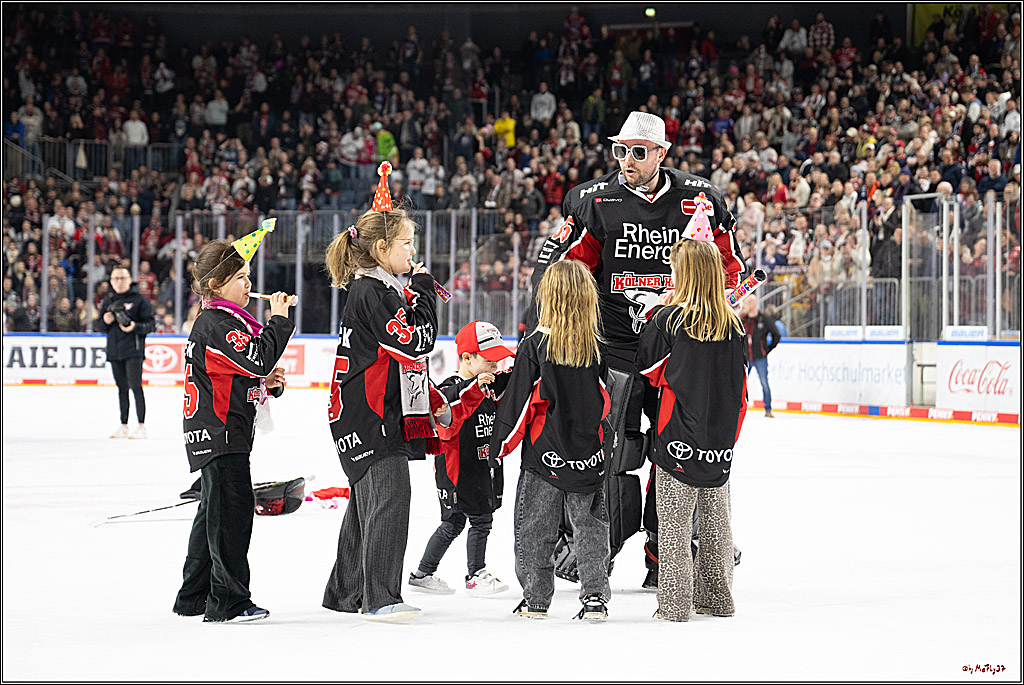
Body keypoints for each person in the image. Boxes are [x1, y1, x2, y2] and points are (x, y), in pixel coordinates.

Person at [527, 111, 743, 590]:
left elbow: (732, 273)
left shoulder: (700, 198)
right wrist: (547, 336)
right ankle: (597, 550)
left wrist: (700, 316)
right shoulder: (593, 201)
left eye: (638, 152)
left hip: (678, 348)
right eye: (619, 150)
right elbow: (560, 273)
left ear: (662, 154)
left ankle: (665, 555)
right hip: (614, 349)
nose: (626, 160)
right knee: (614, 453)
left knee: (675, 454)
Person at [322, 166, 445, 622]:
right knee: (391, 498)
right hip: (369, 414)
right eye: (407, 244)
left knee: (365, 504)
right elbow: (417, 341)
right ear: (381, 249)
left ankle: (346, 591)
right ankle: (382, 596)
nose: (414, 251)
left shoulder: (376, 288)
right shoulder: (374, 290)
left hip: (359, 411)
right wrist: (427, 295)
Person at [171, 239, 294, 623]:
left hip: (217, 430)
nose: (247, 284)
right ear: (215, 285)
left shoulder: (216, 322)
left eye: (247, 276)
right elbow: (257, 356)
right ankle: (228, 601)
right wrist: (279, 320)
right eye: (239, 277)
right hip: (221, 432)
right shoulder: (218, 324)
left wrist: (266, 380)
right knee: (232, 517)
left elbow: (242, 370)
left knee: (214, 512)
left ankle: (193, 596)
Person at [492, 260, 611, 621]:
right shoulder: (597, 347)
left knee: (534, 529)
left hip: (545, 456)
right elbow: (606, 402)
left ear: (549, 296)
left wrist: (499, 444)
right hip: (587, 454)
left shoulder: (536, 345)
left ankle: (536, 599)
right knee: (590, 528)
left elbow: (520, 400)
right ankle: (594, 598)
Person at [636, 238, 747, 622]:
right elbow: (742, 389)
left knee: (674, 527)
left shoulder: (669, 320)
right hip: (719, 440)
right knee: (717, 527)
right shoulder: (733, 325)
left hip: (677, 435)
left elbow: (649, 371)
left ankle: (675, 605)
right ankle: (717, 599)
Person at [408, 320, 515, 596]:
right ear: (467, 358)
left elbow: (512, 380)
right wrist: (476, 387)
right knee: (477, 521)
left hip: (481, 469)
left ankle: (423, 573)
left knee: (454, 523)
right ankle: (475, 574)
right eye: (490, 361)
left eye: (498, 361)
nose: (495, 367)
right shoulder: (451, 389)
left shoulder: (490, 385)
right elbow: (448, 420)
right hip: (459, 472)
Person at [98, 267, 156, 439]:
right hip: (115, 352)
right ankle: (123, 425)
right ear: (111, 281)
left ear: (130, 279)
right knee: (121, 389)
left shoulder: (140, 301)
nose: (119, 282)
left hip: (134, 350)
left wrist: (134, 327)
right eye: (115, 278)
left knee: (136, 387)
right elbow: (101, 328)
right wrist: (105, 321)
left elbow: (151, 325)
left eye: (122, 278)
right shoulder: (107, 302)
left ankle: (141, 426)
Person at [741, 296, 783, 417]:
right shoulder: (743, 319)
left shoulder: (764, 319)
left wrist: (766, 349)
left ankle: (768, 409)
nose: (743, 306)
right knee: (741, 384)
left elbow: (776, 335)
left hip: (760, 358)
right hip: (745, 358)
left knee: (764, 383)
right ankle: (740, 407)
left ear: (752, 304)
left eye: (746, 303)